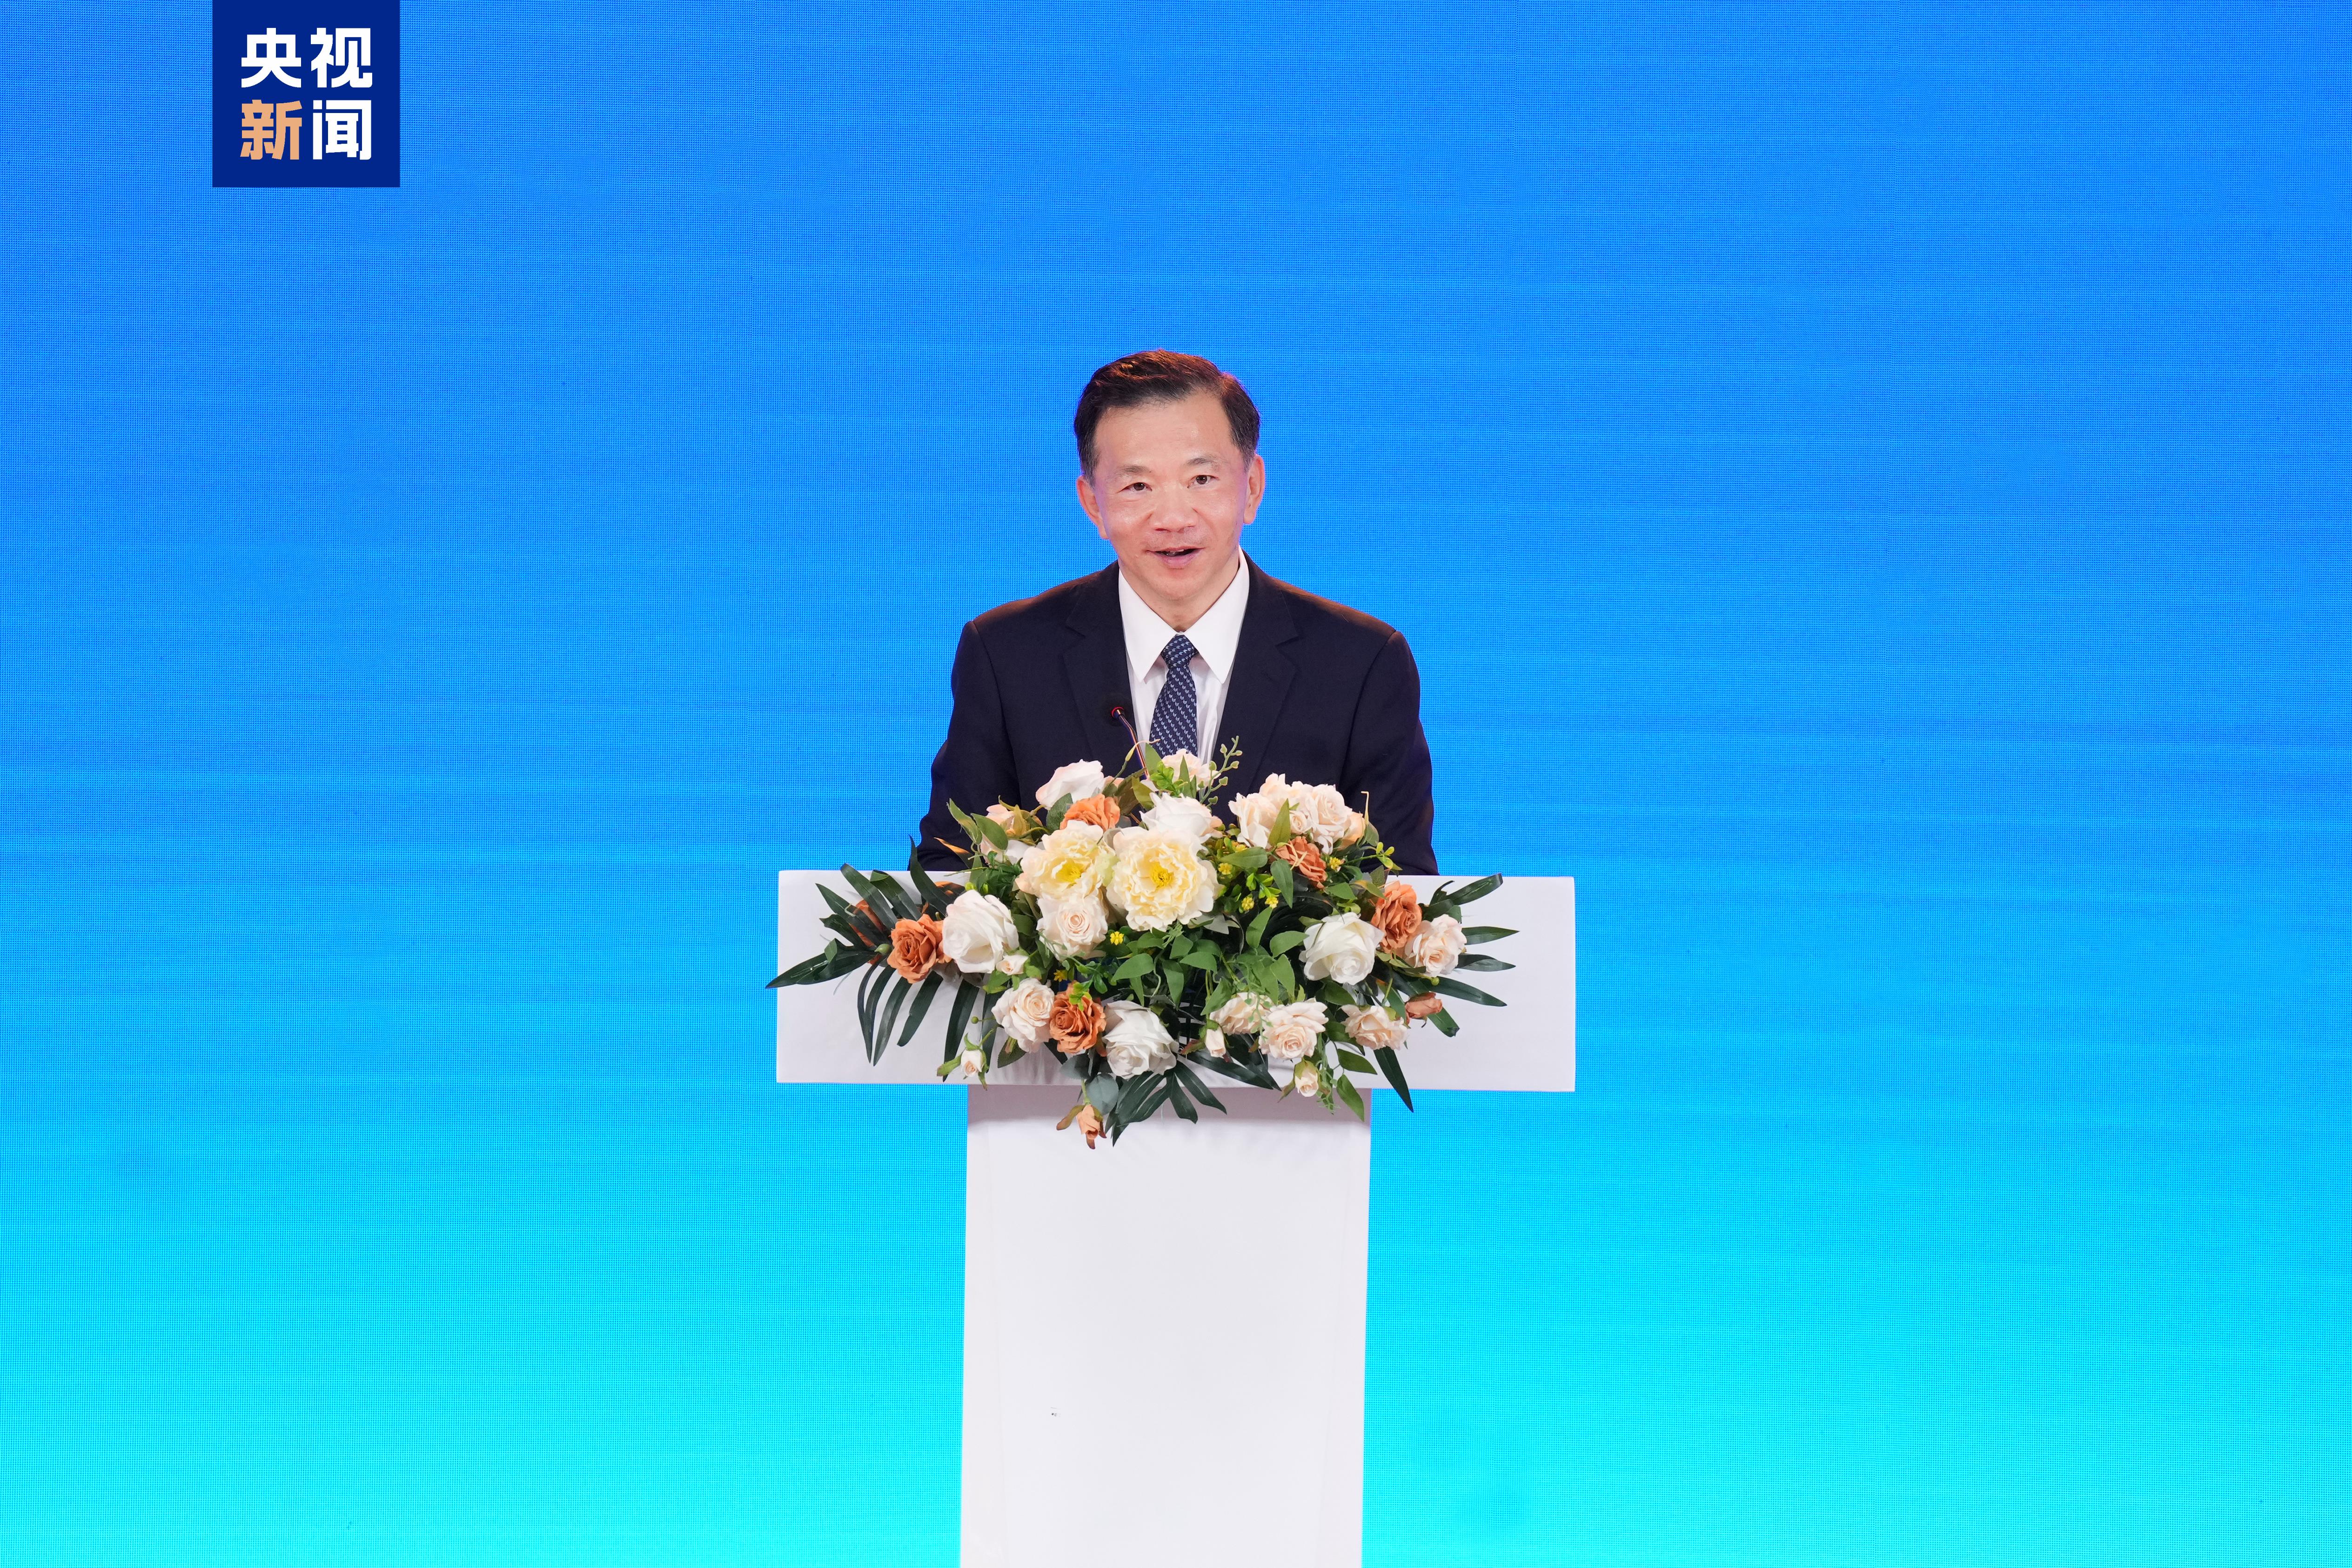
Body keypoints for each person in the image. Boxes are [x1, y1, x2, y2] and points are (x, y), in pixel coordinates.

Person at [916, 350, 1437, 872]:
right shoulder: (1009, 656)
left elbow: (1403, 897)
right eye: (1137, 486)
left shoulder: (1360, 664)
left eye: (1202, 480)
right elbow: (949, 867)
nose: (1172, 517)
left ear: (1252, 487)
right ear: (1093, 503)